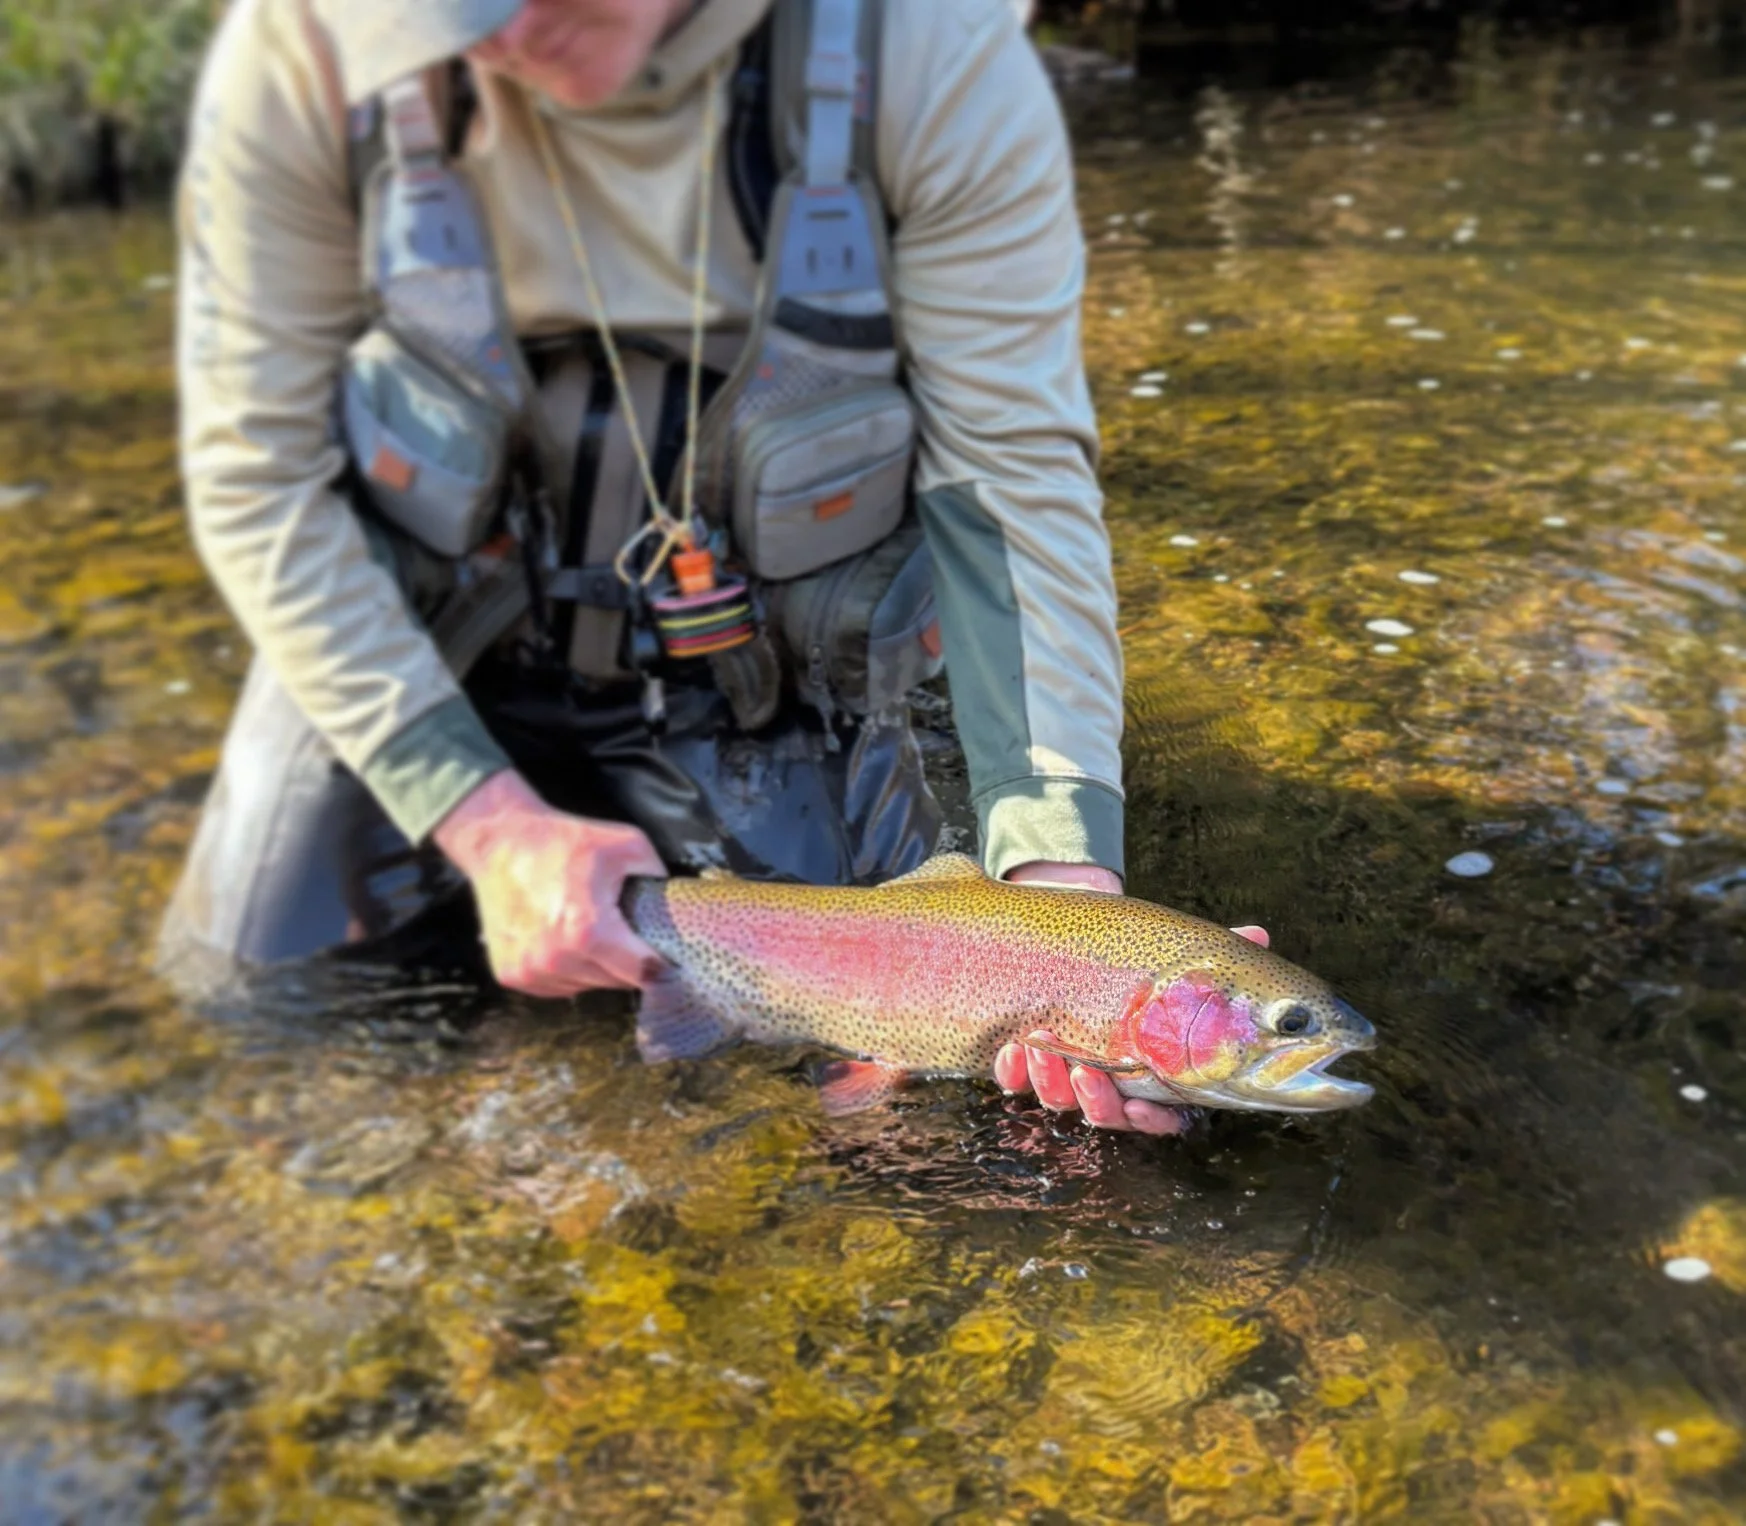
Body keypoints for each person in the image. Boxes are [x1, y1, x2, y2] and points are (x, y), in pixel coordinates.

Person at [163, 0, 1217, 1134]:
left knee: (935, 1127)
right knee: (260, 1017)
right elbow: (259, 479)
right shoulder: (309, 46)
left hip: (757, 685)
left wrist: (1060, 871)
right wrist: (482, 817)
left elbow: (1011, 486)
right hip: (426, 654)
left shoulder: (929, 59)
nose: (501, 33)